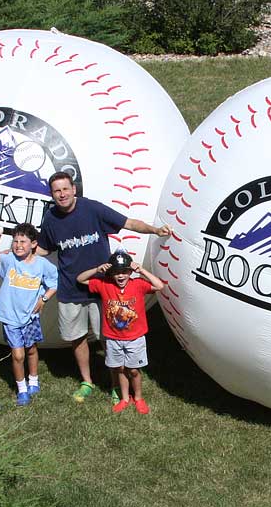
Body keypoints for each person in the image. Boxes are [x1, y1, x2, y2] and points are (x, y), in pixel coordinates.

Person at [37, 171, 171, 403]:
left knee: (108, 338)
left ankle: (115, 384)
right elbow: (45, 248)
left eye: (65, 189)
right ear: (52, 194)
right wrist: (20, 253)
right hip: (70, 289)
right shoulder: (51, 219)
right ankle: (87, 381)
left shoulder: (93, 209)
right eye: (57, 191)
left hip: (103, 289)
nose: (62, 194)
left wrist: (155, 230)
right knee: (76, 338)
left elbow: (128, 223)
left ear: (74, 189)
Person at [77, 250, 163, 414]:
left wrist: (142, 270)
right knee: (120, 369)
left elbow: (159, 286)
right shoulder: (105, 285)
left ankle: (138, 397)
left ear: (130, 272)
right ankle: (124, 398)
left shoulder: (138, 284)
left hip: (135, 338)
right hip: (113, 338)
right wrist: (97, 269)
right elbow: (80, 279)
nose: (121, 276)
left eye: (124, 272)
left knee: (133, 370)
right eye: (116, 273)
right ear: (111, 274)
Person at [0, 223, 58, 406]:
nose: (18, 245)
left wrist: (43, 300)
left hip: (30, 317)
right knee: (18, 355)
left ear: (34, 244)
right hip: (10, 316)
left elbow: (53, 284)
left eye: (23, 241)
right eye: (15, 241)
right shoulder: (10, 259)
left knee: (32, 349)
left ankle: (33, 380)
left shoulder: (43, 265)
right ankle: (22, 389)